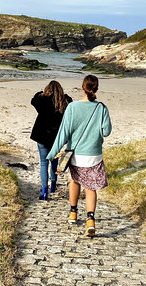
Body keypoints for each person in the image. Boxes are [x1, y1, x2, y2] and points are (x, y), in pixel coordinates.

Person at [47, 74, 111, 237]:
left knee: (74, 181)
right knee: (90, 187)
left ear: (82, 87)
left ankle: (73, 213)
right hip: (94, 154)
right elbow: (106, 131)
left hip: (76, 155)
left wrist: (53, 153)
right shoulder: (102, 108)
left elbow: (64, 133)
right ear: (96, 88)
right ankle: (90, 220)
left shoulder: (72, 107)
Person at [30, 80, 73, 200]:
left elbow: (33, 100)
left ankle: (44, 190)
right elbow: (71, 101)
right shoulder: (64, 103)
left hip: (42, 135)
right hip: (57, 137)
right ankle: (53, 184)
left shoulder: (42, 100)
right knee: (54, 161)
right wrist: (64, 95)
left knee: (43, 163)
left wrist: (41, 92)